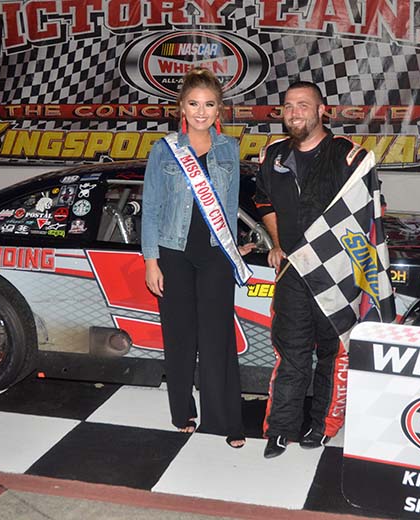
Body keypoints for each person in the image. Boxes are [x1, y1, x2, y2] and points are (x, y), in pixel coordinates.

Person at [253, 81, 373, 458]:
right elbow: (263, 202)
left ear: (323, 110)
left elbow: (366, 216)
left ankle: (323, 426)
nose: (295, 113)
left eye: (303, 105)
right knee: (290, 353)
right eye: (288, 106)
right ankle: (280, 428)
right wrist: (278, 244)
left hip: (337, 274)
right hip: (292, 273)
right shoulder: (272, 155)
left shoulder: (348, 157)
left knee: (334, 353)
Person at [141, 68, 254, 449]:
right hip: (173, 254)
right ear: (181, 108)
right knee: (179, 336)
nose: (201, 112)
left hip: (215, 254)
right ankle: (182, 411)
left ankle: (225, 418)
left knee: (217, 336)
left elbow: (232, 202)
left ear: (219, 108)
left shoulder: (229, 149)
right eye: (194, 104)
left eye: (208, 104)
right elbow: (152, 207)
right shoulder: (163, 149)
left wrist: (236, 245)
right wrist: (151, 260)